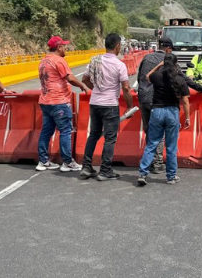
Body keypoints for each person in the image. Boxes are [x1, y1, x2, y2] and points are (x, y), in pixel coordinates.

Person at [80, 33, 134, 181]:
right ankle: (105, 170)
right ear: (117, 46)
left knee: (94, 134)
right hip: (110, 104)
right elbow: (126, 87)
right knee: (110, 138)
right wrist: (130, 106)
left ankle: (86, 166)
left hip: (95, 102)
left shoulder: (95, 61)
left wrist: (96, 87)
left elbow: (84, 79)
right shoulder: (119, 65)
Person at [35, 36, 90, 172]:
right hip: (59, 101)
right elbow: (70, 78)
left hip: (45, 101)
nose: (66, 48)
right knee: (65, 131)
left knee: (46, 132)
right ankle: (67, 162)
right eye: (64, 46)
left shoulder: (43, 61)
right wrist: (83, 85)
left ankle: (43, 161)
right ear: (59, 47)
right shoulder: (59, 61)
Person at [137, 54, 190, 186]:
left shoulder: (157, 76)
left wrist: (158, 66)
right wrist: (187, 117)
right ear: (175, 64)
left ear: (164, 64)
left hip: (157, 112)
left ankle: (143, 174)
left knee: (152, 144)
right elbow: (185, 101)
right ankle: (171, 176)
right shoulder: (179, 79)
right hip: (172, 112)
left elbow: (146, 77)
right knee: (171, 147)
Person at [137, 37, 173, 174]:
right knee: (159, 133)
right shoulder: (168, 60)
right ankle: (157, 163)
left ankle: (149, 161)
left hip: (144, 99)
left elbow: (141, 77)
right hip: (158, 100)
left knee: (149, 131)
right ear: (168, 49)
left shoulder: (146, 58)